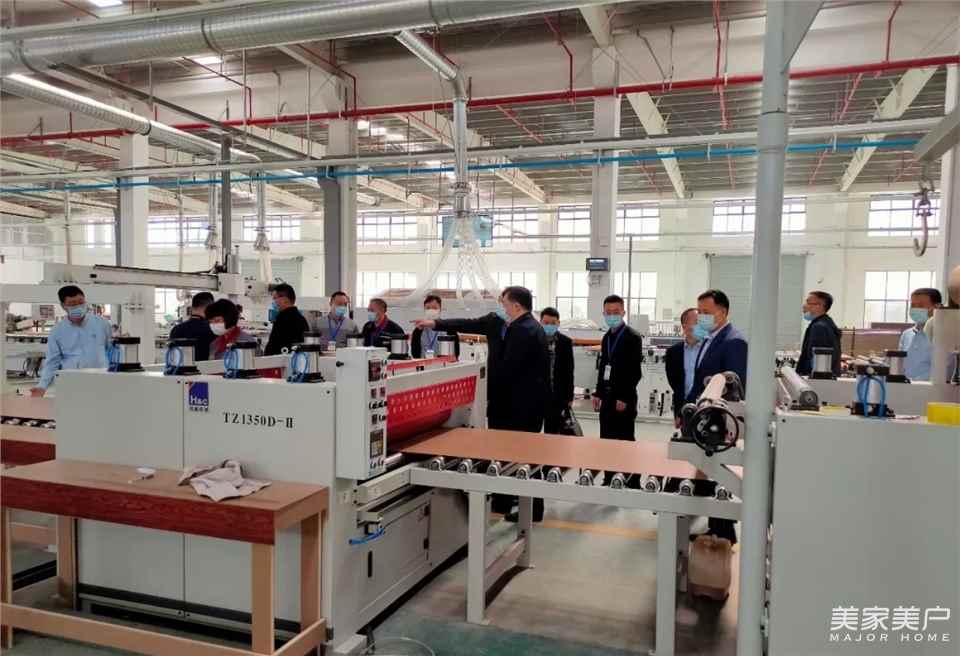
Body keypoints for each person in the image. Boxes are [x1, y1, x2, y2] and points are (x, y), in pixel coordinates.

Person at [414, 287, 549, 521]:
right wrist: (435, 323)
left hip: (522, 406)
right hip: (503, 402)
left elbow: (510, 369)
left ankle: (532, 509)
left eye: (504, 303)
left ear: (516, 306)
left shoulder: (528, 330)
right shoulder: (499, 322)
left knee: (525, 455)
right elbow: (470, 324)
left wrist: (484, 385)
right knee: (503, 452)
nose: (500, 307)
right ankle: (503, 501)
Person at [687, 289, 747, 544]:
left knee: (720, 473)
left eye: (706, 312)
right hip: (704, 415)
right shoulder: (711, 337)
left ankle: (723, 531)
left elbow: (735, 387)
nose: (701, 317)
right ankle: (718, 527)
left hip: (719, 421)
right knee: (710, 470)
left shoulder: (734, 342)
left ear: (722, 312)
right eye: (699, 311)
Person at [31, 285, 112, 397]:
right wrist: (42, 386)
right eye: (73, 304)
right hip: (71, 383)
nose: (78, 306)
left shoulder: (102, 324)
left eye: (81, 302)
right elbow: (52, 362)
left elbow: (112, 350)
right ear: (63, 306)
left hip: (101, 380)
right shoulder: (57, 331)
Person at [592, 295, 643, 441]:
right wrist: (598, 393)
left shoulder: (632, 337)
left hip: (623, 398)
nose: (612, 316)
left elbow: (634, 372)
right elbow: (603, 367)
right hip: (607, 397)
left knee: (623, 440)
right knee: (606, 437)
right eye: (608, 312)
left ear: (623, 313)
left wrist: (623, 397)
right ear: (603, 314)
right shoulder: (606, 337)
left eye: (616, 312)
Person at [540, 307, 574, 434]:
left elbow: (569, 371)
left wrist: (569, 396)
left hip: (556, 394)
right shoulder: (533, 339)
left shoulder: (565, 342)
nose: (549, 326)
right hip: (537, 393)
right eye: (546, 323)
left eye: (553, 323)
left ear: (558, 323)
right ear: (540, 322)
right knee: (532, 431)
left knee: (552, 431)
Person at [665, 308, 699, 424]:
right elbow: (674, 382)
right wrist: (680, 409)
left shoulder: (710, 350)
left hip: (707, 405)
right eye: (696, 322)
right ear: (685, 326)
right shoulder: (673, 352)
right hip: (683, 406)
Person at [795, 290, 842, 376]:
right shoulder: (825, 323)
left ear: (820, 306)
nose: (804, 306)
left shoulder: (820, 327)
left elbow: (816, 360)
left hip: (817, 380)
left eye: (808, 303)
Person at [899, 287, 941, 381]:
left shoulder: (942, 336)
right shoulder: (907, 335)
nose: (915, 309)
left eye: (921, 305)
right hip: (905, 386)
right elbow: (900, 364)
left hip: (931, 388)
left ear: (936, 308)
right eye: (913, 305)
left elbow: (945, 369)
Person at [264, 283, 308, 356]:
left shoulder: (282, 318)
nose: (274, 302)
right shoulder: (302, 319)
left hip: (279, 359)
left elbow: (273, 345)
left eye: (275, 298)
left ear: (284, 299)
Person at [410, 294, 460, 359]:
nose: (431, 310)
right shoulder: (418, 330)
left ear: (440, 309)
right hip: (423, 363)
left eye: (434, 308)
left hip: (444, 363)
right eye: (428, 308)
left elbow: (456, 352)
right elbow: (414, 353)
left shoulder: (448, 328)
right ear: (424, 310)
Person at [169, 292, 216, 361]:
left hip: (179, 367)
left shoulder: (176, 329)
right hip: (206, 367)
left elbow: (172, 356)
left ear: (192, 307)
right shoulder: (212, 329)